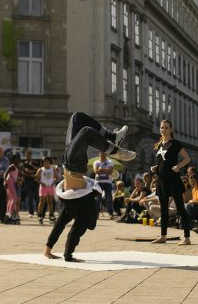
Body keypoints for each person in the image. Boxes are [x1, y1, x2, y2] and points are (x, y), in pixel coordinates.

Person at [44, 112, 135, 262]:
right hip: (73, 163)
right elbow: (73, 231)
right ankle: (112, 138)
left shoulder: (77, 207)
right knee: (81, 122)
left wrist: (53, 251)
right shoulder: (83, 207)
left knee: (81, 124)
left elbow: (63, 228)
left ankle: (113, 149)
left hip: (70, 163)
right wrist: (63, 254)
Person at [150, 119, 191, 245]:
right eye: (162, 127)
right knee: (163, 209)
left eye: (166, 127)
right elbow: (161, 162)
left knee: (180, 208)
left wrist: (178, 166)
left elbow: (187, 158)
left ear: (171, 129)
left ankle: (187, 238)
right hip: (161, 180)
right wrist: (155, 168)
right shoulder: (159, 144)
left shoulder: (175, 143)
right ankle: (163, 236)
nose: (163, 130)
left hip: (173, 179)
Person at [94, 152, 114, 219]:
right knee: (97, 198)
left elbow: (110, 171)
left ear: (106, 154)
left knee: (109, 198)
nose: (102, 154)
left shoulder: (110, 162)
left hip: (108, 182)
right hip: (98, 182)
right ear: (99, 154)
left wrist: (101, 169)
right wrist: (106, 170)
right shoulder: (96, 162)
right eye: (101, 153)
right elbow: (96, 171)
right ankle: (96, 214)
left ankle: (111, 213)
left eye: (103, 153)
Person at [36, 156, 57, 224]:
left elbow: (55, 177)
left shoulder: (52, 169)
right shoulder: (40, 170)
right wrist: (41, 183)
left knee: (50, 202)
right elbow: (36, 178)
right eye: (44, 161)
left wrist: (53, 181)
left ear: (49, 162)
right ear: (42, 162)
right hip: (43, 187)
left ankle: (51, 215)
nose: (46, 163)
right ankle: (40, 215)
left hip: (50, 187)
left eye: (47, 161)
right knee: (42, 202)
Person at [3, 154, 21, 224]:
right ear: (13, 159)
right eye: (16, 158)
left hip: (12, 182)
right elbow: (5, 173)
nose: (18, 160)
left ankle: (7, 215)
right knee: (14, 199)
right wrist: (4, 181)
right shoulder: (12, 166)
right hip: (9, 181)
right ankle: (10, 215)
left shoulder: (16, 166)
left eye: (19, 158)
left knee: (11, 199)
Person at [21, 150, 39, 217]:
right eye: (27, 154)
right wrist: (32, 174)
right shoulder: (23, 163)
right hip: (28, 182)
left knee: (37, 197)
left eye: (30, 154)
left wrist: (32, 167)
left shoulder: (35, 162)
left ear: (31, 155)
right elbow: (24, 172)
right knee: (30, 198)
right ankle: (31, 212)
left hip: (36, 181)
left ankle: (38, 211)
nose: (28, 156)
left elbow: (39, 170)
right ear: (25, 155)